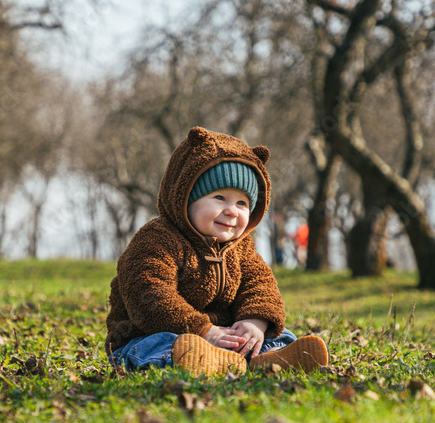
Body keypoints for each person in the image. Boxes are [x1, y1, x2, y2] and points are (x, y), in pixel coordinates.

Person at [105, 126, 328, 376]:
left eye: (242, 203)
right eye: (219, 198)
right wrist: (203, 330)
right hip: (150, 334)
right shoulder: (156, 239)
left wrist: (254, 322)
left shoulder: (241, 247)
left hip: (223, 336)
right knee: (162, 345)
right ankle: (199, 358)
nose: (232, 211)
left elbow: (261, 284)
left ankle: (268, 357)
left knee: (277, 333)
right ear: (184, 198)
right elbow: (150, 295)